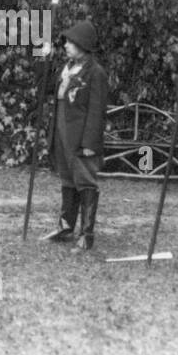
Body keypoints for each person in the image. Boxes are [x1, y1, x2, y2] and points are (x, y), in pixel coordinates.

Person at [39, 20, 109, 250]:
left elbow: (97, 111)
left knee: (85, 180)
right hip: (61, 131)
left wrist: (90, 143)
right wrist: (45, 60)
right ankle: (66, 226)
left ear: (83, 45)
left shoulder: (95, 73)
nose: (66, 45)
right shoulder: (65, 67)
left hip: (81, 136)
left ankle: (86, 235)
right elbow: (45, 88)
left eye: (71, 42)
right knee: (68, 178)